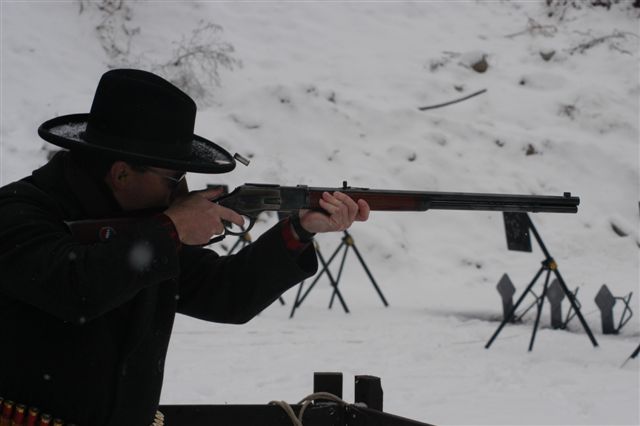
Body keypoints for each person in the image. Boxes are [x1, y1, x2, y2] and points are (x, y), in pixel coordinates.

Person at [0, 69, 370, 425]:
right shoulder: (18, 211)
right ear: (122, 173)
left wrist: (300, 231)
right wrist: (171, 228)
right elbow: (75, 287)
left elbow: (229, 294)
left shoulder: (149, 229)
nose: (182, 192)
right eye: (174, 178)